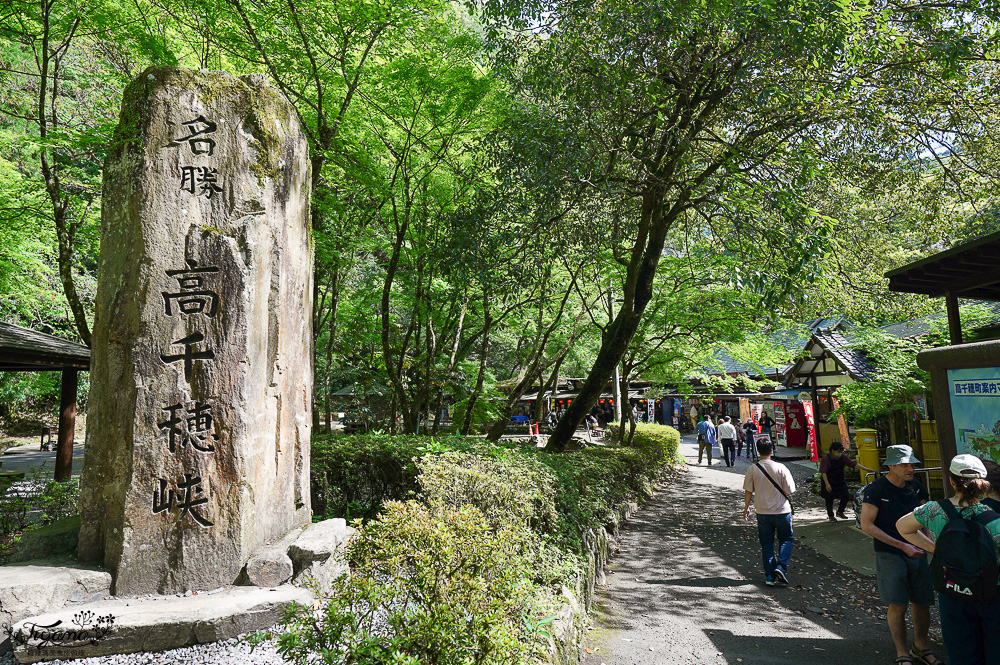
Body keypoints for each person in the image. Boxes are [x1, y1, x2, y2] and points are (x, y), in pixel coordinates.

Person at [898, 454, 998, 665]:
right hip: (991, 592)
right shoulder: (994, 519)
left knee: (960, 651)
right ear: (984, 485)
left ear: (951, 481)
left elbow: (902, 527)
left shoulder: (934, 510)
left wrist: (936, 549)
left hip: (952, 590)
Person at [860, 445, 940, 665]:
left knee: (922, 601)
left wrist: (931, 546)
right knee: (898, 604)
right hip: (890, 553)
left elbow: (924, 519)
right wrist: (902, 545)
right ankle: (902, 652)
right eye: (904, 464)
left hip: (918, 552)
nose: (910, 468)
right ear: (891, 466)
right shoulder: (876, 489)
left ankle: (921, 648)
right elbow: (866, 525)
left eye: (911, 463)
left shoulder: (915, 487)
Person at [743, 438, 795, 586]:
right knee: (786, 539)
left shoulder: (753, 469)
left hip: (762, 511)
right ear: (772, 450)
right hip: (782, 511)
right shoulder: (781, 468)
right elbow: (790, 491)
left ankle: (770, 577)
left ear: (758, 451)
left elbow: (748, 491)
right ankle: (781, 567)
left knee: (766, 544)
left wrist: (746, 508)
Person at [820, 442, 875, 522]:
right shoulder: (826, 458)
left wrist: (866, 469)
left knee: (845, 495)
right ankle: (831, 515)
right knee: (829, 499)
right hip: (829, 480)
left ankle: (840, 511)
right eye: (838, 451)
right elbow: (823, 472)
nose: (839, 453)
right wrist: (827, 484)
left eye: (841, 451)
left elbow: (853, 464)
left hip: (839, 479)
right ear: (832, 450)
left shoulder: (842, 457)